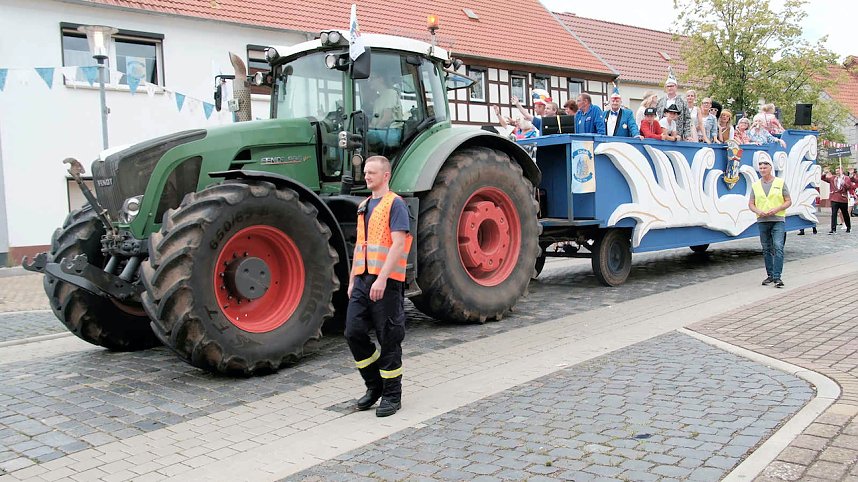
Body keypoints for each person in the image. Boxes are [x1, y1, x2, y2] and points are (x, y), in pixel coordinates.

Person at [345, 155, 412, 417]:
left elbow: (398, 244)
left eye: (371, 172)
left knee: (389, 338)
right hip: (362, 280)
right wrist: (352, 279)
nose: (366, 176)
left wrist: (382, 278)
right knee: (353, 332)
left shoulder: (395, 204)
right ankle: (375, 386)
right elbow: (360, 247)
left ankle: (392, 396)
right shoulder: (363, 206)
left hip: (386, 281)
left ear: (386, 176)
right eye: (365, 172)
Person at [749, 158, 792, 288]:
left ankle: (778, 277)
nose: (762, 170)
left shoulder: (780, 182)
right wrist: (758, 211)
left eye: (764, 168)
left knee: (778, 246)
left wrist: (778, 208)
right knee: (766, 248)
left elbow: (788, 201)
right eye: (760, 168)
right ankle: (770, 275)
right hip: (762, 220)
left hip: (777, 219)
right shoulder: (756, 185)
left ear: (770, 168)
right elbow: (751, 204)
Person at [655, 68, 690, 140]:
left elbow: (687, 119)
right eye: (668, 86)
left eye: (672, 86)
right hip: (663, 135)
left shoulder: (682, 102)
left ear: (676, 87)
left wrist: (687, 135)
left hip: (677, 135)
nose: (670, 88)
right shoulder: (660, 101)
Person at [820, 166, 856, 234]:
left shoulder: (846, 178)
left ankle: (848, 227)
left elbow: (849, 187)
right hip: (834, 198)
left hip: (843, 199)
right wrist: (824, 172)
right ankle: (833, 229)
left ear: (842, 170)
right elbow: (823, 178)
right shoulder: (833, 178)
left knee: (845, 214)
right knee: (834, 214)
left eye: (838, 171)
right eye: (836, 171)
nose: (837, 172)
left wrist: (843, 183)